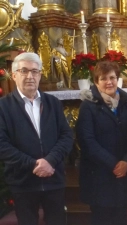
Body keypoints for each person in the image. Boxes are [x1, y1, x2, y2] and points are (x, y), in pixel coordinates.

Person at [0, 52, 73, 225]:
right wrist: (33, 164)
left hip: (53, 179)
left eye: (35, 71)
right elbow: (2, 144)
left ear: (40, 75)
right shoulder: (3, 107)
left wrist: (50, 161)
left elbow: (66, 136)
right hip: (23, 182)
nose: (30, 76)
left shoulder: (53, 103)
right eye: (24, 71)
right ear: (14, 74)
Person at [76, 61, 127, 225]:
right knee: (102, 219)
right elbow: (87, 142)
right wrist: (114, 164)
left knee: (121, 218)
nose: (109, 82)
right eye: (103, 78)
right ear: (96, 82)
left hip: (124, 175)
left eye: (112, 77)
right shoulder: (88, 107)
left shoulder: (126, 104)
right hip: (99, 176)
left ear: (117, 79)